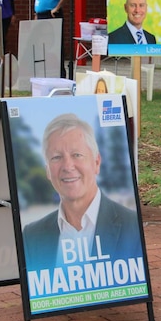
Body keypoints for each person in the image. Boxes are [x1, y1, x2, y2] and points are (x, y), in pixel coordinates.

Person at [22, 113, 142, 271]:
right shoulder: (32, 236)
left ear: (96, 163)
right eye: (57, 157)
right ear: (48, 171)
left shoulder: (131, 226)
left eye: (77, 155)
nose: (68, 166)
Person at [33, 0, 70, 77]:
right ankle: (46, 71)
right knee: (43, 44)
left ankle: (59, 73)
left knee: (54, 44)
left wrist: (56, 8)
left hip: (51, 15)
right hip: (42, 15)